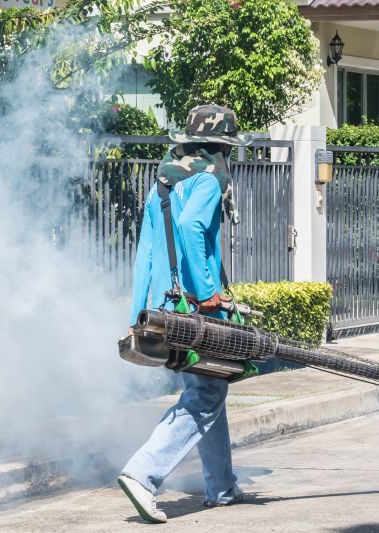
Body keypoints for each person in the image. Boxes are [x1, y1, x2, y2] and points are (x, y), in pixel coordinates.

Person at [118, 104, 252, 524]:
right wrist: (211, 294)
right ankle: (144, 472)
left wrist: (137, 312)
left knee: (212, 383)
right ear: (219, 146)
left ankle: (222, 485)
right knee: (205, 394)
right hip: (194, 306)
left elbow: (143, 253)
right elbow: (194, 227)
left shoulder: (162, 181)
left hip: (162, 305)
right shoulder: (209, 179)